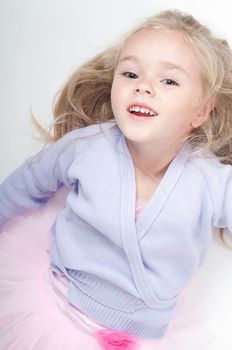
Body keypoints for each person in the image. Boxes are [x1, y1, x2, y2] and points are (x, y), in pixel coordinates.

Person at [0, 8, 232, 350]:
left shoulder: (213, 183)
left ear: (200, 111)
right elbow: (26, 184)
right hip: (56, 311)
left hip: (140, 337)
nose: (144, 87)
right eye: (130, 73)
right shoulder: (87, 148)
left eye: (169, 80)